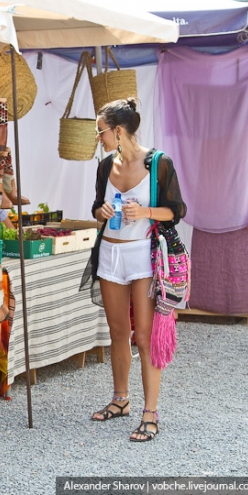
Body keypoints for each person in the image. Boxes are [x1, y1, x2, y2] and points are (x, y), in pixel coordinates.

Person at [84, 98, 186, 442]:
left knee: (144, 336)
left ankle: (150, 413)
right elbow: (97, 206)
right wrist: (100, 212)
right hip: (110, 254)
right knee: (117, 332)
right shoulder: (105, 166)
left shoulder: (158, 163)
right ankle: (120, 400)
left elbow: (176, 210)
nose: (98, 137)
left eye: (100, 131)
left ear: (117, 131)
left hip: (143, 256)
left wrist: (145, 213)